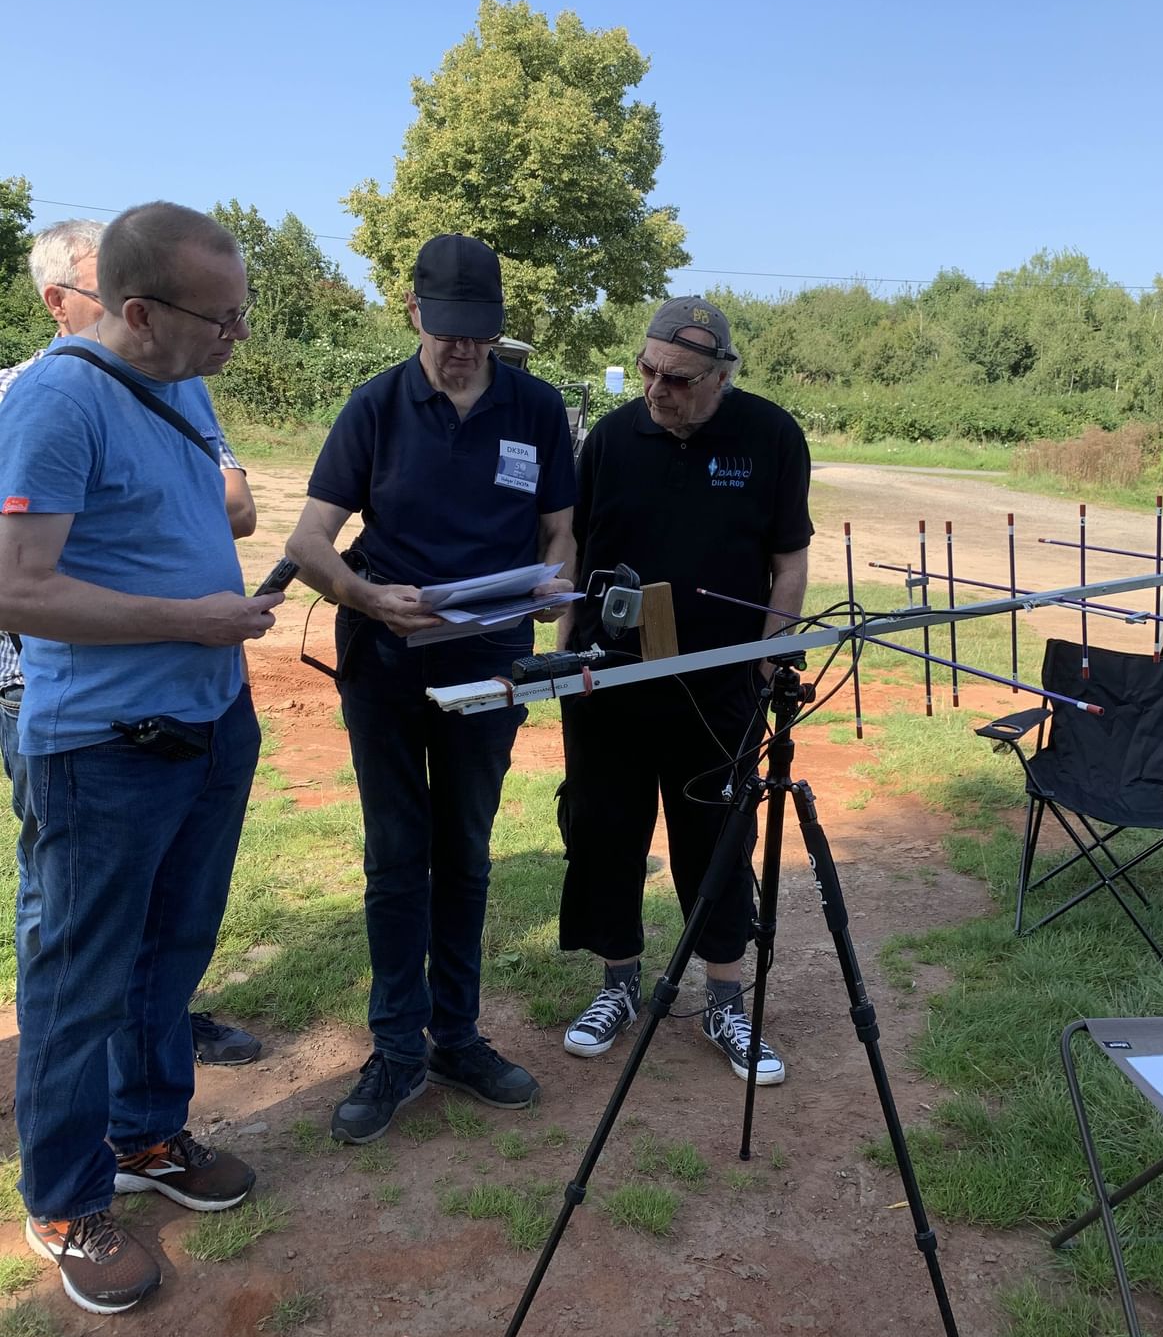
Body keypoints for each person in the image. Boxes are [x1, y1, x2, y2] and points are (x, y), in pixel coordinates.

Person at [0, 202, 284, 1313]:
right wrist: (189, 621)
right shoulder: (56, 401)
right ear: (139, 310)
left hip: (209, 723)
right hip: (104, 749)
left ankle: (147, 1134)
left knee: (172, 952)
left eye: (242, 313)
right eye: (222, 319)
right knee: (80, 978)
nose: (238, 337)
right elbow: (18, 590)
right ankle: (64, 1202)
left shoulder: (185, 382)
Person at [286, 233, 575, 1144]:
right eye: (447, 331)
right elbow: (307, 543)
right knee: (395, 852)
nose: (462, 349)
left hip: (488, 661)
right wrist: (367, 596)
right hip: (386, 658)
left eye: (478, 333)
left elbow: (561, 533)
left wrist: (553, 586)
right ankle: (394, 1049)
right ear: (414, 312)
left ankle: (456, 1037)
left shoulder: (537, 407)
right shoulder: (375, 406)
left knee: (466, 849)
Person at [556, 296, 812, 1084]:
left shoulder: (771, 436)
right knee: (606, 833)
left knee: (718, 840)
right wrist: (563, 659)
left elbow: (790, 562)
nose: (657, 389)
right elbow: (573, 552)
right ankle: (618, 986)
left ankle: (725, 1001)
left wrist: (765, 663)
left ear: (721, 376)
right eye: (648, 371)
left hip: (720, 688)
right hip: (610, 683)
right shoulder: (611, 438)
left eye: (678, 379)